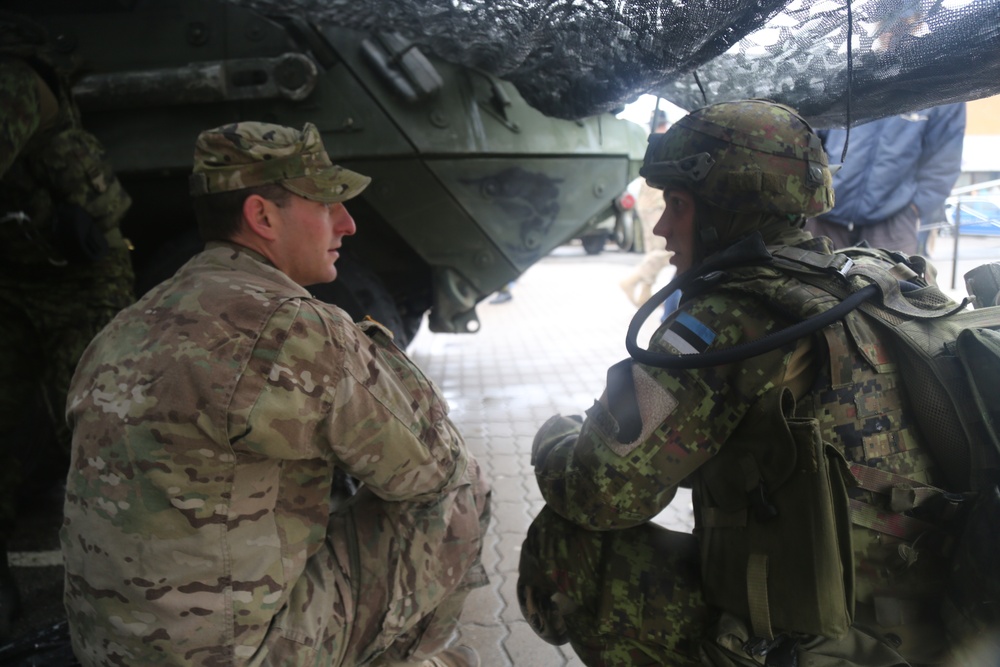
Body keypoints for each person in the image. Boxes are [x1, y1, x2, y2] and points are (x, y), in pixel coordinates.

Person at [518, 100, 975, 666]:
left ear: (725, 214)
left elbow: (598, 492)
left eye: (678, 206)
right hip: (934, 617)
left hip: (827, 642)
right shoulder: (872, 282)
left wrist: (552, 435)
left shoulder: (729, 321)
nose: (661, 227)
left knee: (566, 542)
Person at [60, 121, 490, 667]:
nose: (349, 223)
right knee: (462, 489)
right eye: (328, 203)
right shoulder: (289, 328)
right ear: (262, 216)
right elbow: (433, 468)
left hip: (107, 652)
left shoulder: (129, 321)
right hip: (235, 656)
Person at [0, 12, 134, 638]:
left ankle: (137, 592)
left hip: (79, 285)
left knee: (90, 434)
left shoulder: (15, 83)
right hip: (13, 281)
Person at [806, 103, 965, 256]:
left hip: (893, 221)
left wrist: (915, 209)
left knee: (894, 282)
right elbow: (810, 136)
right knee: (812, 280)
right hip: (824, 213)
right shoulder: (846, 76)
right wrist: (811, 192)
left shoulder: (939, 82)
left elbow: (944, 159)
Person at [619, 110, 675, 308]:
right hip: (655, 202)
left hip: (647, 201)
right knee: (664, 250)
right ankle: (632, 281)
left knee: (654, 250)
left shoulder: (648, 141)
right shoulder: (661, 142)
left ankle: (645, 292)